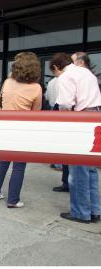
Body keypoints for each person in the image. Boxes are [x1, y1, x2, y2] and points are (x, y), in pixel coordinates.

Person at [51, 52, 101, 224]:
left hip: (79, 119)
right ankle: (95, 210)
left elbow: (65, 104)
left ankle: (81, 212)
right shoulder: (86, 72)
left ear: (57, 68)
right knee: (91, 169)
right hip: (95, 118)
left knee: (78, 170)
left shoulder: (66, 77)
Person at [0, 52, 42, 208]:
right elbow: (36, 113)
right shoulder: (36, 88)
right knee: (19, 165)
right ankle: (13, 200)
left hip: (5, 127)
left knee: (3, 161)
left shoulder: (7, 82)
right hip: (23, 129)